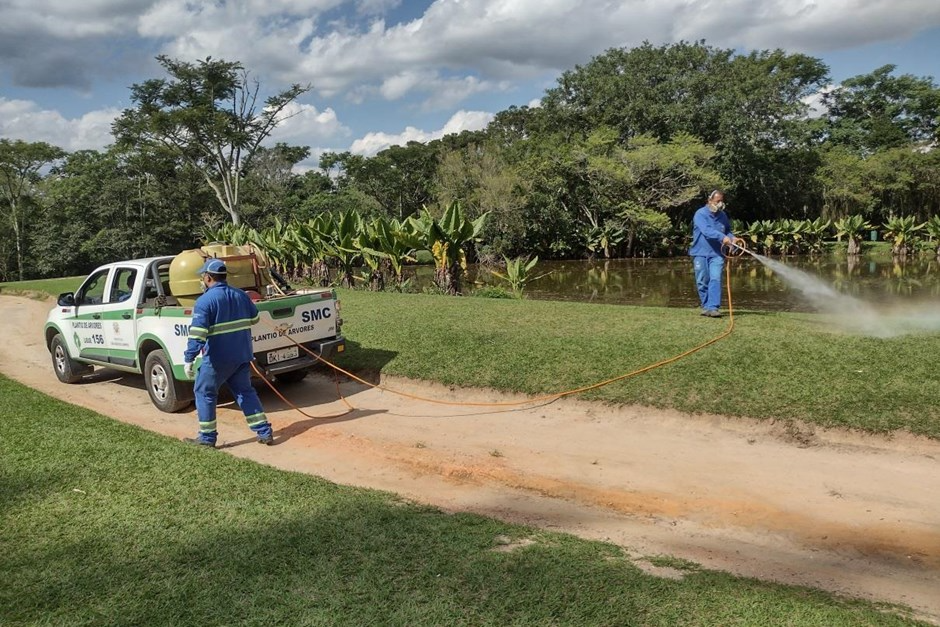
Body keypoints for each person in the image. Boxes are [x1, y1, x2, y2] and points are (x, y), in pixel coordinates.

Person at [182, 258, 274, 447]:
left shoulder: (204, 301)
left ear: (208, 277)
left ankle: (207, 438)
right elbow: (255, 319)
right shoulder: (241, 295)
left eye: (203, 276)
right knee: (245, 392)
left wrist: (189, 358)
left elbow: (198, 334)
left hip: (217, 359)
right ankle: (264, 431)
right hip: (241, 356)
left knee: (204, 392)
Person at [689, 190, 744, 318]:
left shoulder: (723, 215)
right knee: (702, 280)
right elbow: (706, 231)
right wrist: (722, 237)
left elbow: (727, 231)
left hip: (717, 254)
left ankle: (713, 307)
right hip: (700, 253)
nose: (720, 204)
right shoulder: (700, 214)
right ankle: (706, 305)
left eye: (721, 201)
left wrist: (733, 238)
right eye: (717, 201)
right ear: (710, 200)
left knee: (715, 278)